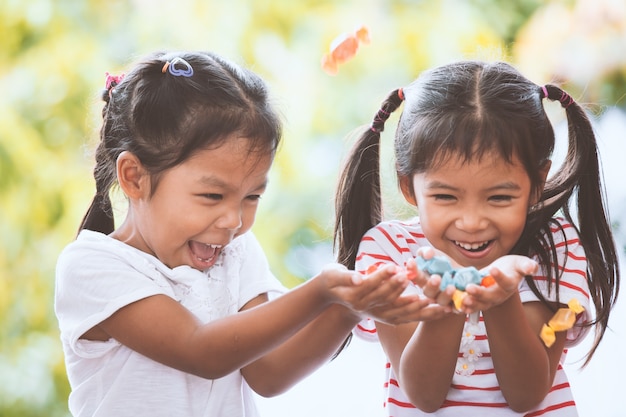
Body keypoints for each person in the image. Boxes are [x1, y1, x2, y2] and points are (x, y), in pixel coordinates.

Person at [54, 50, 441, 417]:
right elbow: (202, 352)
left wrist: (347, 308)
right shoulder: (93, 266)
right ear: (134, 178)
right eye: (212, 195)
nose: (233, 221)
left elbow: (268, 374)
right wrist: (322, 290)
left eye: (252, 196)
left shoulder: (235, 253)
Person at [334, 60, 620, 416]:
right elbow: (423, 395)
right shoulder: (389, 252)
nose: (471, 222)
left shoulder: (553, 248)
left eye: (499, 197)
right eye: (445, 197)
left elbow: (527, 393)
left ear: (536, 184)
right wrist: (448, 303)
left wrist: (500, 299)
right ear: (408, 186)